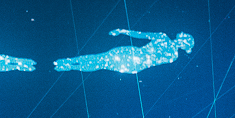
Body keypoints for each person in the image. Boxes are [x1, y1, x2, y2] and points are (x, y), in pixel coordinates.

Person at [53, 29, 193, 74]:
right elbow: (141, 35)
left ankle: (70, 62)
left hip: (133, 55)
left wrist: (122, 31)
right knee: (101, 63)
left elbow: (140, 34)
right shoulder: (173, 56)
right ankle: (70, 66)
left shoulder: (163, 38)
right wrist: (123, 31)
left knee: (100, 59)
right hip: (136, 64)